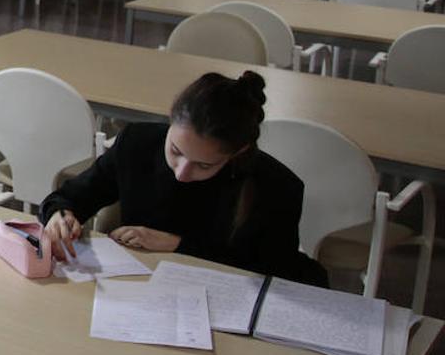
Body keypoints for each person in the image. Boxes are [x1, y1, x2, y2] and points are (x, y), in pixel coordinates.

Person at [38, 70, 322, 284]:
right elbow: (71, 195)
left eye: (203, 165)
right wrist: (61, 214)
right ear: (171, 121)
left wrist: (178, 245)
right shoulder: (138, 143)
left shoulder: (275, 186)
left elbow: (274, 271)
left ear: (237, 152)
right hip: (133, 291)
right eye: (175, 150)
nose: (182, 172)